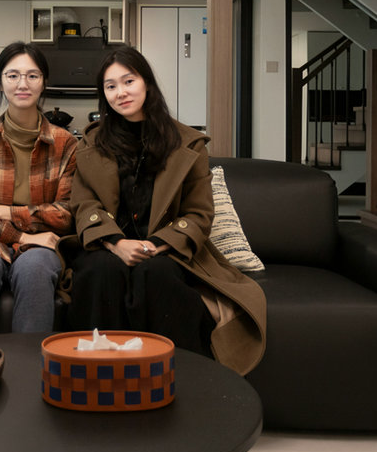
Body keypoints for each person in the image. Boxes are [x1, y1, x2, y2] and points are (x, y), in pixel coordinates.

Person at [61, 46, 266, 374]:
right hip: (106, 246)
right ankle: (95, 375)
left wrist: (155, 246)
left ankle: (171, 377)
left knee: (155, 274)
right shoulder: (92, 143)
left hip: (167, 250)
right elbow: (85, 205)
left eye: (128, 81)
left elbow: (199, 214)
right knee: (100, 271)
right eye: (111, 86)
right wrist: (116, 243)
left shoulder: (186, 143)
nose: (120, 92)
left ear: (147, 83)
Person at [0, 41, 77, 336]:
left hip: (42, 244)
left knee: (35, 269)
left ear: (43, 82)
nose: (23, 84)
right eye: (13, 75)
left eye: (32, 76)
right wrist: (21, 236)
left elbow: (66, 214)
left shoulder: (65, 144)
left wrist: (5, 211)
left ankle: (29, 363)